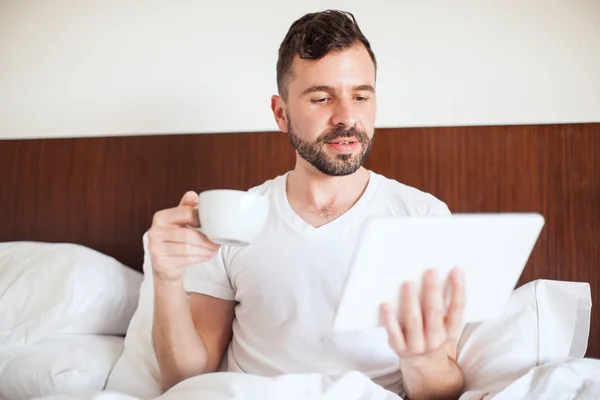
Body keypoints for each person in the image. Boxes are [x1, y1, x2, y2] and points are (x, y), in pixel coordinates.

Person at [149, 9, 466, 400]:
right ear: (281, 114)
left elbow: (442, 391)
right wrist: (166, 281)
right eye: (321, 98)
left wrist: (422, 359)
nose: (348, 118)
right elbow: (182, 381)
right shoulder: (234, 220)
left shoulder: (423, 218)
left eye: (361, 96)